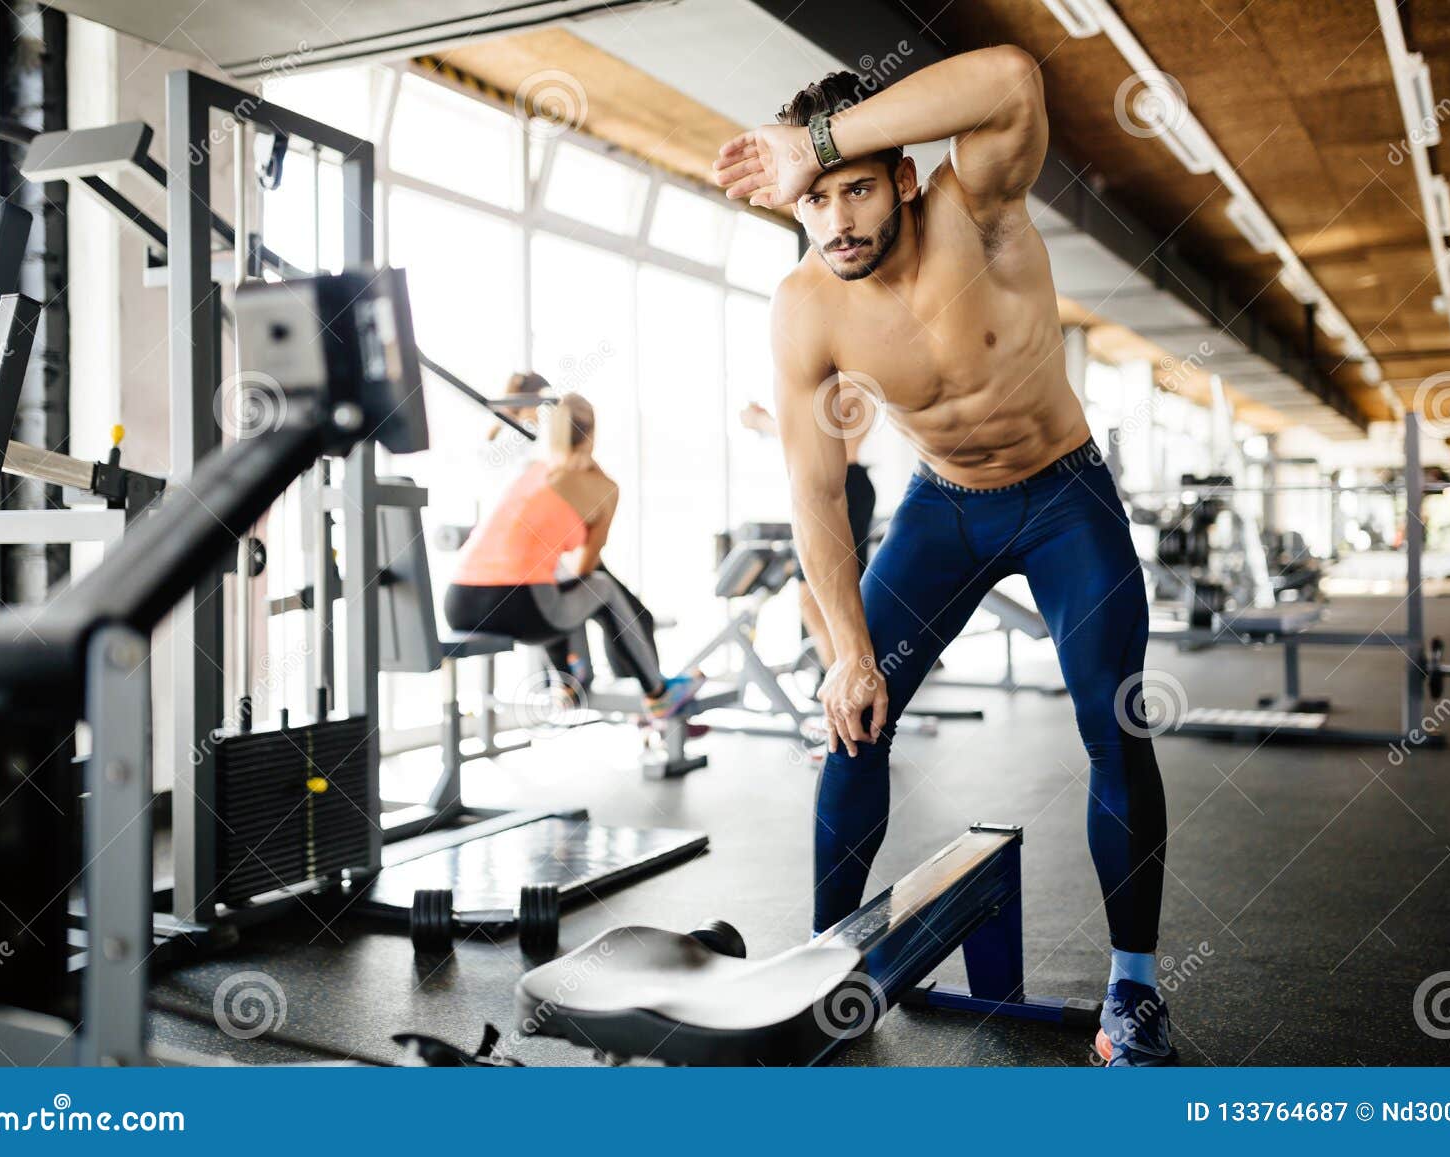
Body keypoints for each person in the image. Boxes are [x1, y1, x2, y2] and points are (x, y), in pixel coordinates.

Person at [713, 53, 1174, 1066]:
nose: (836, 219)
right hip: (940, 509)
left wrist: (815, 141)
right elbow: (816, 490)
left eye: (857, 188)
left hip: (1062, 496)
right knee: (852, 720)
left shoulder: (982, 210)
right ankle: (823, 965)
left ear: (905, 180)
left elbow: (1011, 77)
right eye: (815, 199)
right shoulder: (805, 305)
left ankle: (1134, 991)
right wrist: (844, 650)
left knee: (1115, 724)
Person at [445, 392, 700, 718]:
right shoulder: (604, 489)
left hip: (459, 602)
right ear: (592, 435)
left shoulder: (532, 473)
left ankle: (569, 683)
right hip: (518, 606)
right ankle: (658, 693)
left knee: (553, 578)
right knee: (598, 586)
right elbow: (585, 566)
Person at [738, 396, 876, 672]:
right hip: (840, 484)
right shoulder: (851, 377)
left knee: (818, 598)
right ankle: (843, 680)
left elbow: (815, 439)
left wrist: (760, 421)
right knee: (821, 599)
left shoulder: (850, 379)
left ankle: (847, 681)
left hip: (839, 485)